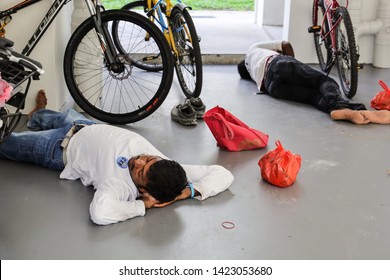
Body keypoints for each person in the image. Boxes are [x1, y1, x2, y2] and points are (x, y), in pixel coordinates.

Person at [0, 90, 234, 225]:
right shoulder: (168, 167)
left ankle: (31, 123)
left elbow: (100, 213)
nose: (139, 160)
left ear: (144, 190)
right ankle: (36, 114)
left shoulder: (120, 187)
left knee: (5, 142)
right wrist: (186, 193)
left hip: (57, 147)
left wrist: (142, 205)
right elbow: (224, 174)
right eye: (147, 159)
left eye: (140, 172)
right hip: (82, 124)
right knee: (45, 117)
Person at [237, 41, 390, 125]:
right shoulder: (253, 50)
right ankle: (348, 107)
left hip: (271, 87)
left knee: (313, 97)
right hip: (278, 64)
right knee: (323, 81)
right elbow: (286, 45)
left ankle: (338, 111)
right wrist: (295, 65)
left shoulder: (252, 74)